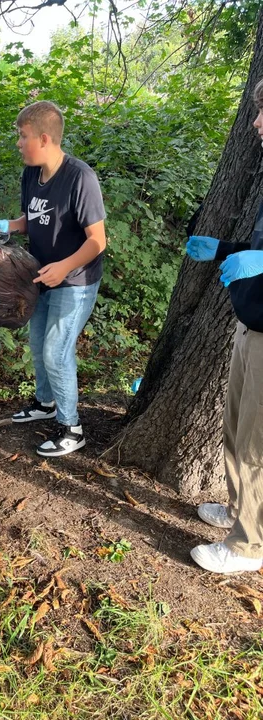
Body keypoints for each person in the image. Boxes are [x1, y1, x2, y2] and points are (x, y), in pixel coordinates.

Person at [0, 101, 107, 457]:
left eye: (22, 136)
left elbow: (97, 240)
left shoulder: (79, 177)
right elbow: (28, 220)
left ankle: (72, 428)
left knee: (57, 352)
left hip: (76, 282)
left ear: (44, 138)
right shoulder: (31, 173)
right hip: (40, 276)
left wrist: (64, 267)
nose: (18, 143)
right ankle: (46, 404)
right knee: (38, 345)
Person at [186, 78, 263, 574]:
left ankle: (248, 547)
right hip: (251, 325)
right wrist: (226, 250)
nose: (255, 123)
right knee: (236, 431)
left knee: (257, 443)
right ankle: (239, 513)